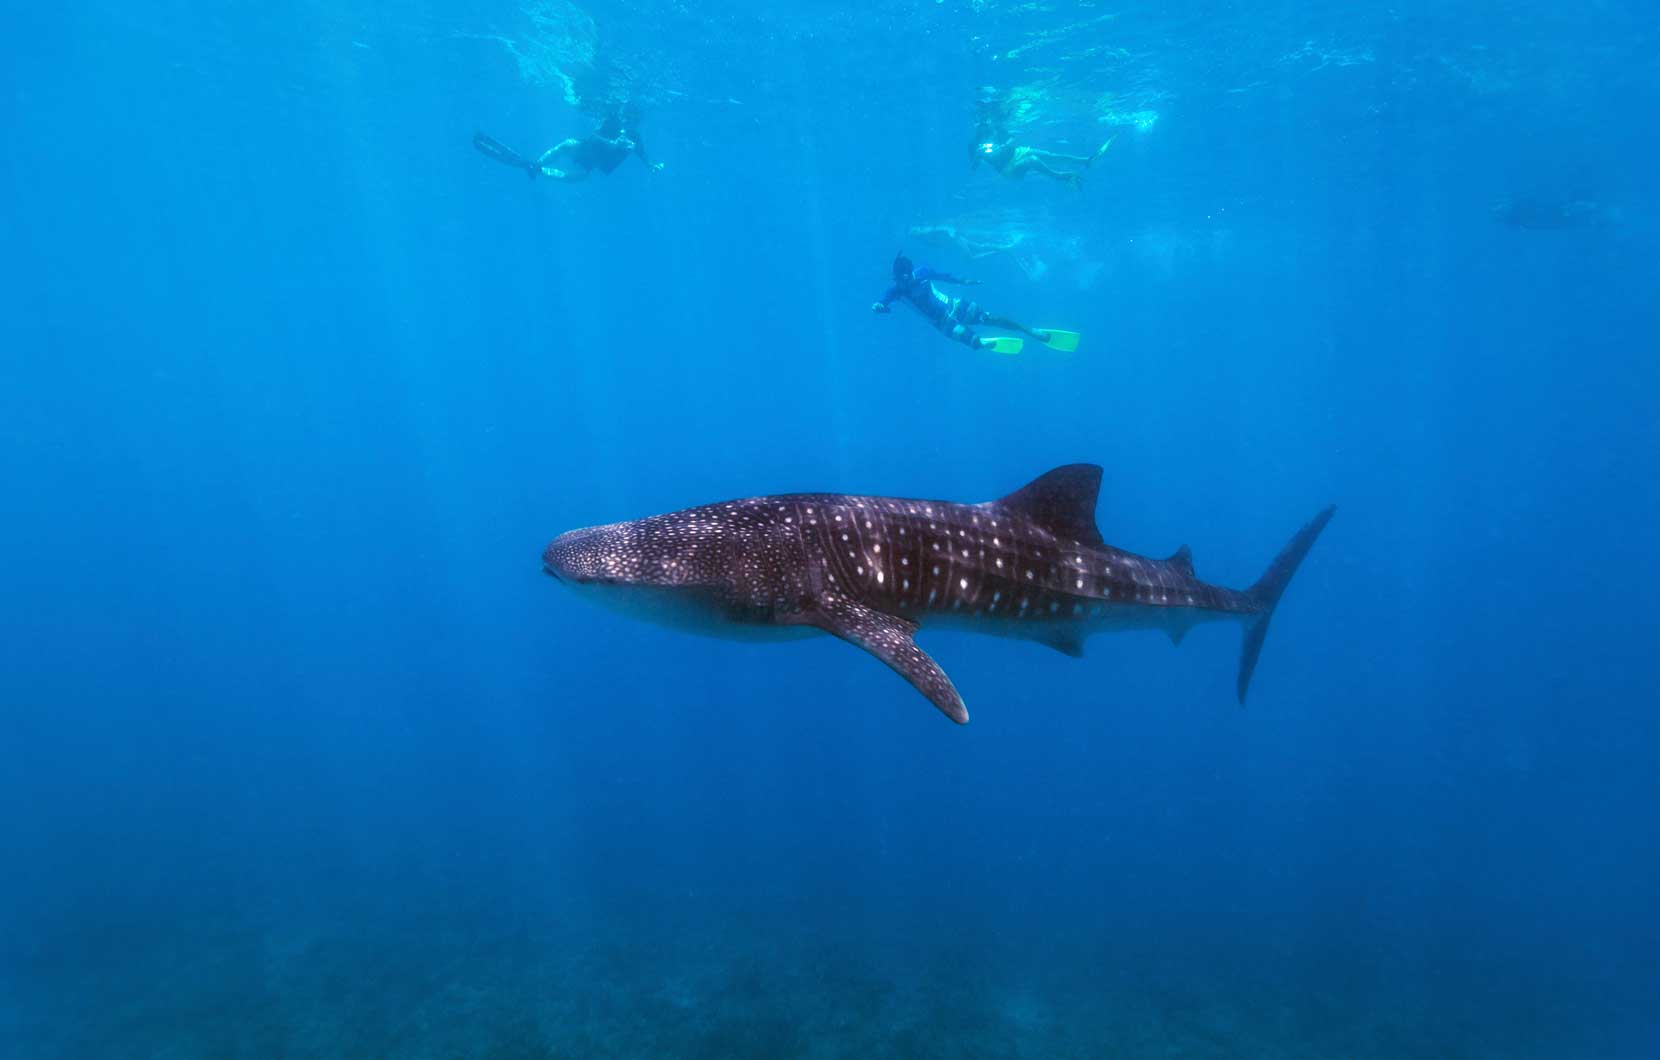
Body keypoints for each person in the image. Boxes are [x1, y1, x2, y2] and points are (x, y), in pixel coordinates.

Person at [872, 253, 1076, 354]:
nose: (906, 282)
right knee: (972, 342)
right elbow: (883, 302)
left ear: (911, 271)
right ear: (896, 278)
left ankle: (1030, 331)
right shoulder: (896, 291)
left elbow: (945, 276)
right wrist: (880, 307)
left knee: (988, 318)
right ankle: (980, 342)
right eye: (901, 279)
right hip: (942, 322)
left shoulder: (922, 272)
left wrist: (964, 280)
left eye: (908, 277)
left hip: (953, 305)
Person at [473, 106, 663, 183]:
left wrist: (650, 164)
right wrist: (613, 144)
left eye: (635, 120)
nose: (630, 122)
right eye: (629, 117)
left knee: (579, 176)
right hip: (587, 148)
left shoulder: (635, 137)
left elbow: (641, 152)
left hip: (594, 161)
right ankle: (537, 164)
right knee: (566, 144)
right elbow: (595, 138)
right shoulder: (611, 120)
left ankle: (538, 169)